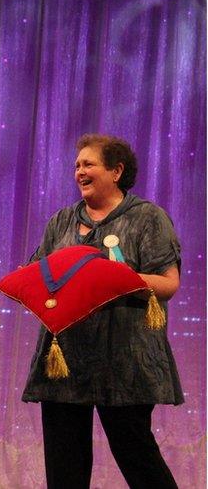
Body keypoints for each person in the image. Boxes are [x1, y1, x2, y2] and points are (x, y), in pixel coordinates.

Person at [22, 134, 182, 488]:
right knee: (65, 466)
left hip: (126, 359)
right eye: (77, 165)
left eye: (88, 164)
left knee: (136, 454)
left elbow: (169, 283)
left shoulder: (147, 218)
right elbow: (39, 272)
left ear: (116, 170)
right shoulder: (61, 221)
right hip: (64, 360)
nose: (79, 171)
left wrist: (116, 278)